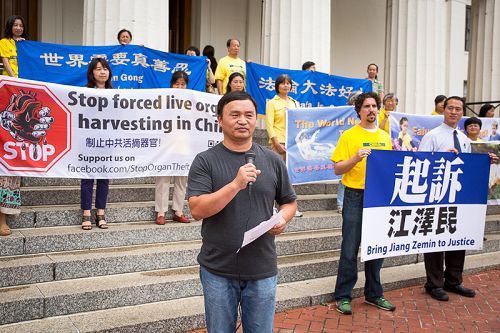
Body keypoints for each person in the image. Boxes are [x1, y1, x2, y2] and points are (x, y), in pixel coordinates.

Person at [187, 91, 297, 332]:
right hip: (218, 268)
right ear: (219, 120)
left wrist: (283, 218)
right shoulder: (205, 161)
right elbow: (197, 209)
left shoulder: (272, 160)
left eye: (249, 115)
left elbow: (289, 202)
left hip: (262, 268)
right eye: (234, 114)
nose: (242, 120)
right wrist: (235, 185)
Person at [418, 96, 489, 301]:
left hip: (459, 196)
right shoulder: (432, 136)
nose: (454, 112)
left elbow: (467, 166)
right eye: (451, 108)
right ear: (444, 110)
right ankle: (434, 283)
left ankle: (454, 280)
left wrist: (485, 160)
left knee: (458, 237)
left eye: (458, 109)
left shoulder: (464, 138)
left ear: (462, 112)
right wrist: (441, 159)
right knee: (435, 240)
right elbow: (421, 164)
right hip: (437, 196)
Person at [331, 92, 395, 315]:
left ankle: (374, 294)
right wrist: (356, 158)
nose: (371, 110)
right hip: (355, 196)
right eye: (366, 106)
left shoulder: (385, 137)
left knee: (376, 246)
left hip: (379, 198)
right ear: (358, 111)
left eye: (374, 106)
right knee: (350, 248)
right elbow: (338, 168)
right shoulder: (349, 136)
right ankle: (343, 295)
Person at [0, 15, 27, 236]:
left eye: (21, 25)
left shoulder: (26, 45)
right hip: (10, 83)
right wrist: (13, 80)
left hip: (21, 84)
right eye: (15, 25)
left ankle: (4, 218)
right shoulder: (4, 42)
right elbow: (6, 61)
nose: (18, 28)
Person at [81, 58, 113, 230]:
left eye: (105, 69)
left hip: (107, 142)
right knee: (87, 178)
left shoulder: (116, 93)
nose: (102, 72)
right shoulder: (85, 92)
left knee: (104, 178)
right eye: (98, 69)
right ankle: (86, 212)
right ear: (92, 72)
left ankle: (100, 212)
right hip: (89, 141)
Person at [154, 71, 191, 225]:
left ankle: (178, 210)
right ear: (171, 84)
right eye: (177, 83)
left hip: (184, 143)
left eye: (183, 84)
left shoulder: (191, 102)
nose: (180, 87)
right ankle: (161, 212)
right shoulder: (164, 100)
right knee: (163, 178)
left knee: (182, 178)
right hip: (166, 143)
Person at [264, 74, 302, 217]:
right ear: (277, 86)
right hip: (279, 142)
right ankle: (272, 207)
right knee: (276, 176)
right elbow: (269, 125)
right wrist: (275, 142)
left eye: (288, 83)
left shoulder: (295, 103)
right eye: (283, 83)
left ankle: (290, 207)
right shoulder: (272, 103)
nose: (286, 85)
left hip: (293, 143)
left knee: (290, 176)